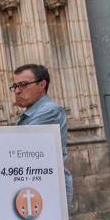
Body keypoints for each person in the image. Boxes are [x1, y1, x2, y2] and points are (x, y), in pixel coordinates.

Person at [12, 63, 73, 208]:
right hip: (35, 186)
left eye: (23, 85)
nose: (17, 91)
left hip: (48, 188)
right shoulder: (30, 113)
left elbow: (18, 145)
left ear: (41, 85)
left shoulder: (50, 111)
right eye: (15, 86)